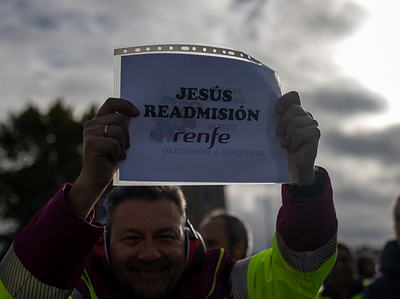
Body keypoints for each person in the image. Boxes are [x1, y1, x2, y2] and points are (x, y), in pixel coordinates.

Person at [0, 91, 338, 298]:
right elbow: (20, 289)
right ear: (103, 242)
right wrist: (89, 184)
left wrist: (301, 176)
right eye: (131, 238)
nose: (149, 253)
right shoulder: (77, 291)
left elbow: (301, 269)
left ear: (189, 239)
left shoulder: (232, 288)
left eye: (165, 236)